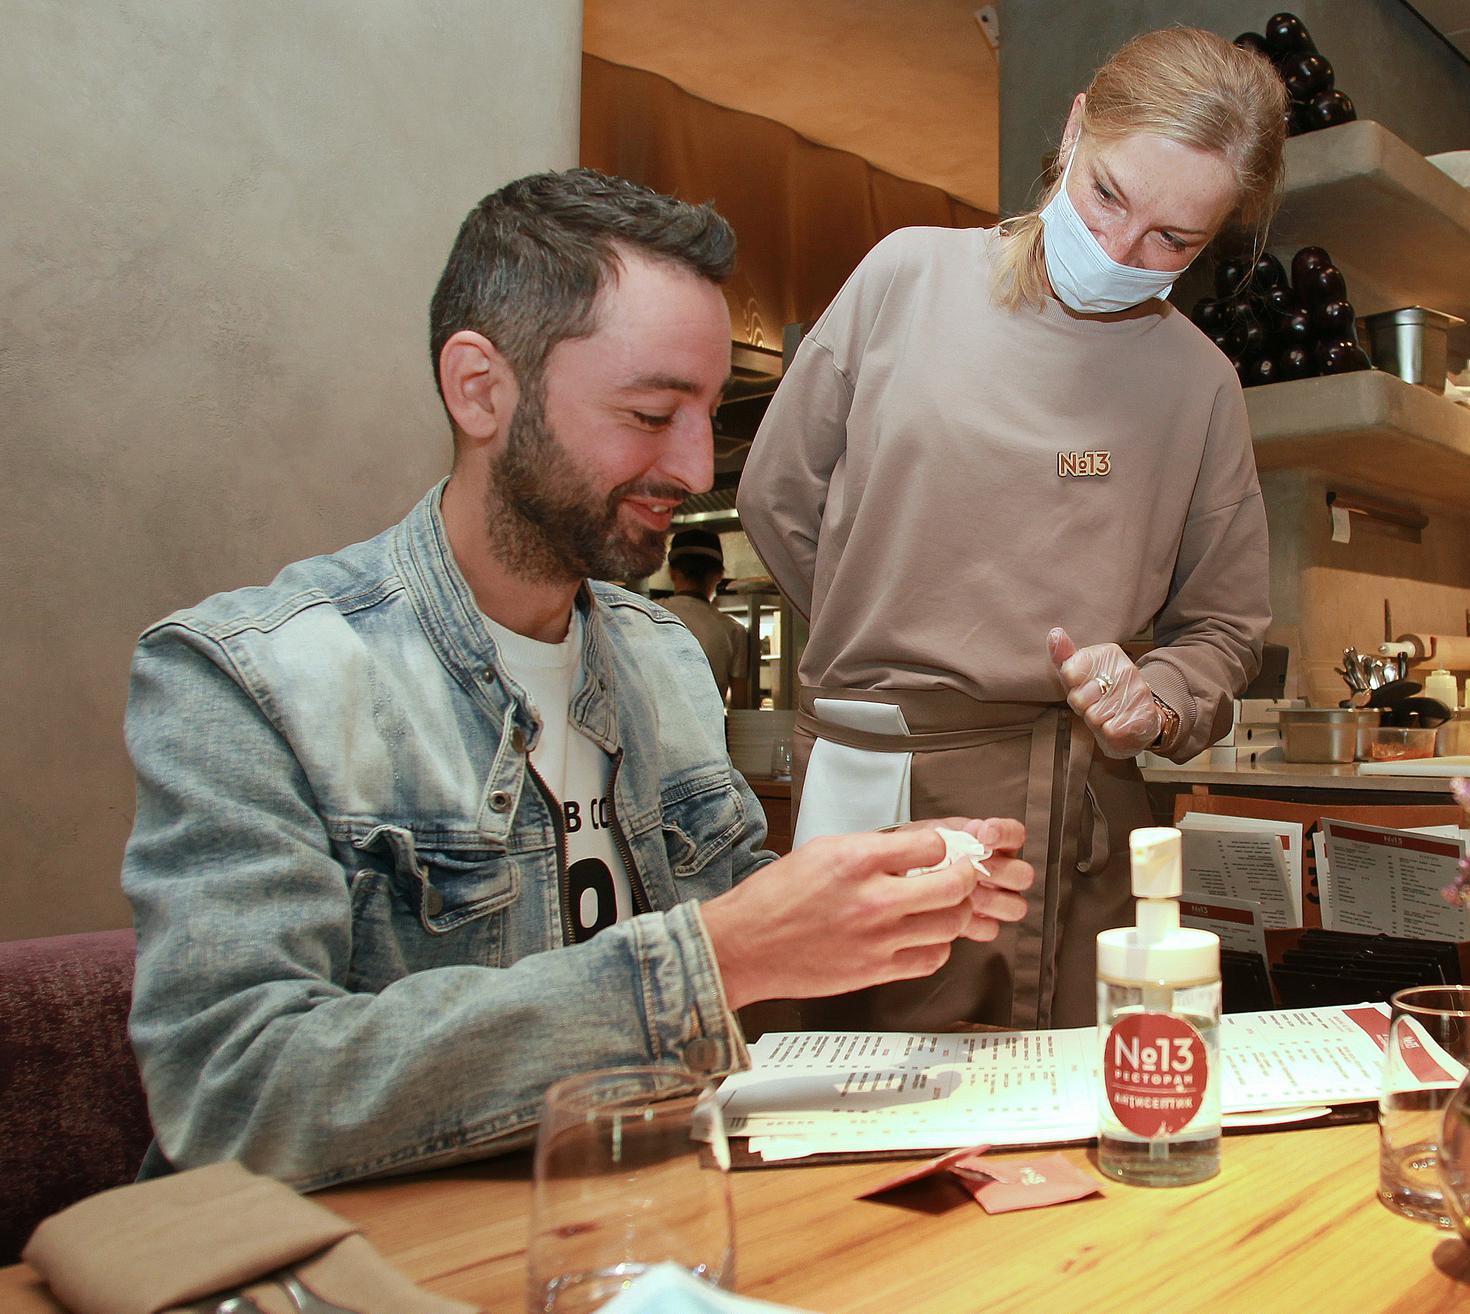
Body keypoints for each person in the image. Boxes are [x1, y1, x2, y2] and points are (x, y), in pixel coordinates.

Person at [119, 169, 1033, 1192]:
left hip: (647, 1229)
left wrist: (861, 915)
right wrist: (719, 960)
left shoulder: (661, 657)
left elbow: (743, 990)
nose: (694, 468)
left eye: (708, 416)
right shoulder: (247, 679)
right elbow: (232, 1096)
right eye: (651, 415)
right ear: (479, 389)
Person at [737, 28, 1283, 1031]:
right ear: (1076, 128)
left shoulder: (1199, 383)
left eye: (1175, 240)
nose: (1123, 251)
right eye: (1109, 196)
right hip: (884, 782)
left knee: (1071, 1137)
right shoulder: (906, 277)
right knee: (852, 1123)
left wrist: (1152, 699)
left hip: (1079, 817)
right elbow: (778, 499)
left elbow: (1223, 630)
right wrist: (895, 629)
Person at [658, 527, 753, 707]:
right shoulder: (733, 630)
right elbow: (740, 706)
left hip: (650, 732)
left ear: (671, 572)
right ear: (719, 574)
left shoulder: (647, 614)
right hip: (708, 733)